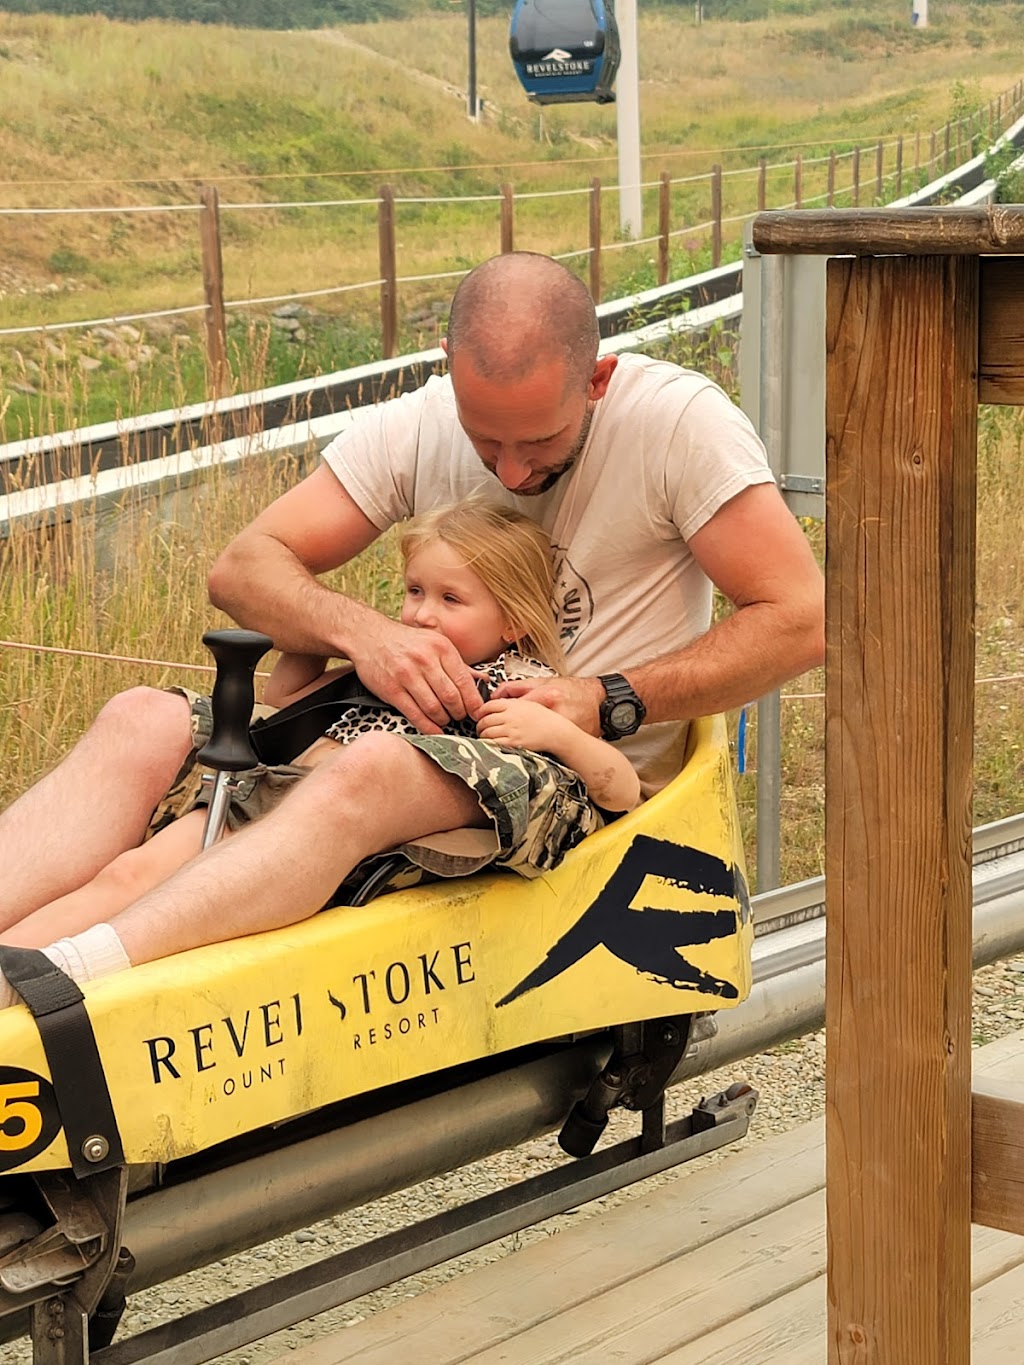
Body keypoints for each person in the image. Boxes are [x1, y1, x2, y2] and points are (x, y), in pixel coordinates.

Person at [0, 251, 824, 1002]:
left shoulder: (678, 424)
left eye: (540, 440)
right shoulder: (423, 420)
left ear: (598, 381)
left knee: (376, 767)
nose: (509, 470)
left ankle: (78, 979)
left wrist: (599, 701)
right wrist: (367, 635)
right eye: (484, 437)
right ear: (449, 376)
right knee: (138, 718)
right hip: (383, 737)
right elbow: (243, 569)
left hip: (558, 783)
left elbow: (801, 619)